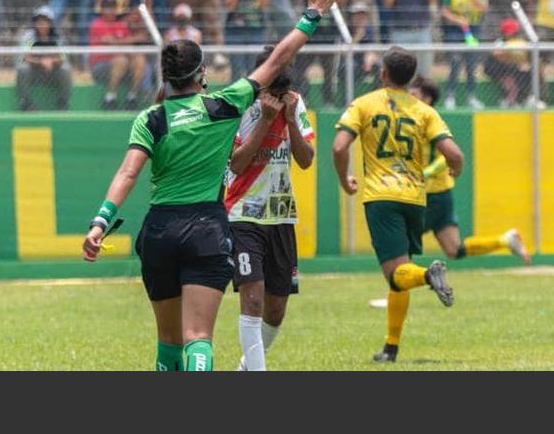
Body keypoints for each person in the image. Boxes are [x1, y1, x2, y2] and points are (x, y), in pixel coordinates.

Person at [81, 0, 342, 372]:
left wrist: (101, 221)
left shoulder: (151, 118)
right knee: (198, 337)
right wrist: (312, 14)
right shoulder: (223, 106)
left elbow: (128, 174)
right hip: (206, 228)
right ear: (201, 73)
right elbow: (278, 60)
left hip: (161, 230)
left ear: (166, 76)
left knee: (168, 343)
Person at [370, 75, 530, 363]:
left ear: (428, 99)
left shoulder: (425, 118)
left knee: (399, 267)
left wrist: (425, 173)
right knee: (454, 249)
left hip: (425, 196)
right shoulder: (413, 116)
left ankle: (391, 346)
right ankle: (505, 240)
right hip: (437, 194)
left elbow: (449, 155)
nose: (411, 95)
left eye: (417, 92)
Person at [332, 46, 464, 364]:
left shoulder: (364, 104)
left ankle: (429, 275)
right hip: (415, 198)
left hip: (382, 197)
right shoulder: (424, 110)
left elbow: (339, 147)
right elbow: (455, 154)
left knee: (397, 275)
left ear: (383, 73)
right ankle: (391, 348)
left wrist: (344, 179)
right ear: (411, 77)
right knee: (401, 271)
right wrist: (455, 169)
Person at [224, 47, 316, 372]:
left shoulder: (295, 102)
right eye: (272, 92)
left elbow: (306, 160)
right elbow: (236, 164)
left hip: (281, 214)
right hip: (243, 213)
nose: (277, 99)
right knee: (252, 298)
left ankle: (244, 368)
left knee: (275, 310)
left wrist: (289, 121)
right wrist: (264, 121)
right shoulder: (239, 104)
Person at [293, 0, 348, 107]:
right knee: (301, 68)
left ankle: (328, 101)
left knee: (329, 70)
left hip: (329, 34)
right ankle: (302, 99)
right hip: (309, 33)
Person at [88, 0, 149, 111]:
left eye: (113, 7)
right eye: (107, 7)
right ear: (102, 10)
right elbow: (111, 41)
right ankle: (110, 97)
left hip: (123, 65)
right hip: (100, 66)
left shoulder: (120, 24)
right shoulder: (97, 24)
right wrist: (135, 38)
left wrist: (131, 47)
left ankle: (132, 97)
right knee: (121, 60)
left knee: (139, 59)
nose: (111, 11)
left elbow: (128, 46)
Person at [440, 0, 488, 110]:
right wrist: (457, 20)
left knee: (471, 65)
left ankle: (471, 96)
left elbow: (483, 8)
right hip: (455, 31)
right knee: (455, 63)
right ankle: (450, 96)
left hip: (473, 30)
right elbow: (444, 11)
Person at [381, 0, 436, 77]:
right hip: (400, 32)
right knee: (399, 69)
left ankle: (422, 87)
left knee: (424, 69)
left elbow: (433, 0)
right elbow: (387, 3)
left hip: (422, 31)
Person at [223, 0, 272, 78]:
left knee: (254, 69)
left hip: (257, 30)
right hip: (235, 30)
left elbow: (264, 4)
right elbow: (230, 6)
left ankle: (252, 91)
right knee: (236, 70)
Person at [15, 6, 72, 112]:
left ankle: (62, 104)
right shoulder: (28, 37)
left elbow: (63, 57)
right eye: (38, 21)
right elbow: (25, 57)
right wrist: (41, 62)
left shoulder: (58, 37)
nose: (41, 24)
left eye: (45, 21)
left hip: (53, 71)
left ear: (50, 23)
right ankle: (27, 104)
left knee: (66, 69)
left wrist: (52, 61)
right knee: (23, 69)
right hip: (34, 72)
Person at [483, 18, 537, 108]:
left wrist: (523, 64)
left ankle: (525, 98)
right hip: (497, 68)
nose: (509, 34)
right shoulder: (500, 42)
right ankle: (508, 100)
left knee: (525, 72)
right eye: (507, 32)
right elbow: (498, 55)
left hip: (512, 68)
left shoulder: (519, 42)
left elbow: (522, 58)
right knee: (512, 77)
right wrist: (511, 55)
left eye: (512, 32)